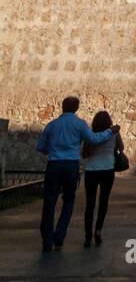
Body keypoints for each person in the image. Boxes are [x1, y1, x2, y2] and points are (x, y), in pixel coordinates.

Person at [35, 96, 118, 253]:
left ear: (62, 107)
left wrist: (51, 150)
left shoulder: (52, 125)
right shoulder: (79, 124)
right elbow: (93, 139)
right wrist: (110, 131)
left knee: (49, 203)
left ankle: (47, 240)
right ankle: (59, 235)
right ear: (76, 108)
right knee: (68, 201)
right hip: (71, 166)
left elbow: (40, 146)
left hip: (54, 165)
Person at [81, 110, 123, 247]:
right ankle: (98, 230)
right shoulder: (114, 134)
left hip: (91, 170)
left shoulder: (91, 135)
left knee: (90, 204)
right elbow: (121, 148)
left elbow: (85, 154)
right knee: (103, 202)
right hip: (107, 170)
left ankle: (87, 236)